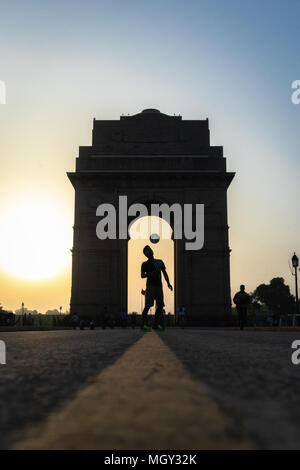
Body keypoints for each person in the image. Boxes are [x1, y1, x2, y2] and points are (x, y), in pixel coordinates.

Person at [140, 245, 173, 331]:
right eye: (147, 251)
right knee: (148, 305)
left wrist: (168, 283)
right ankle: (143, 325)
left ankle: (155, 325)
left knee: (161, 305)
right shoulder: (145, 264)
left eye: (150, 250)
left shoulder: (159, 262)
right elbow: (142, 275)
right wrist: (150, 274)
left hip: (159, 286)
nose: (150, 252)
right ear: (145, 254)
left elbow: (165, 273)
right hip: (150, 286)